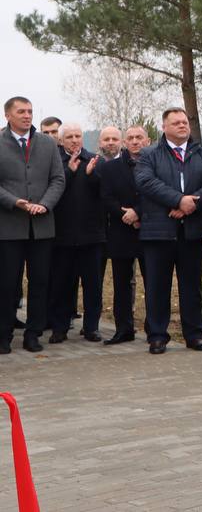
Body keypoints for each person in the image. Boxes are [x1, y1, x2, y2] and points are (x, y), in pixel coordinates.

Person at [136, 107, 202, 355]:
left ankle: (194, 335)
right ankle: (158, 336)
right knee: (157, 286)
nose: (183, 125)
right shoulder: (149, 154)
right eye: (176, 122)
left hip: (192, 230)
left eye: (185, 122)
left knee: (192, 286)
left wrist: (192, 204)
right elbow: (146, 182)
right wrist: (178, 200)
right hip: (159, 232)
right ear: (164, 127)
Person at [0, 97, 65, 353]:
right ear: (8, 115)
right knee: (7, 283)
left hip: (42, 227)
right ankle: (3, 335)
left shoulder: (47, 144)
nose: (27, 116)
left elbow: (58, 179)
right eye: (21, 112)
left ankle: (33, 333)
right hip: (9, 226)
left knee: (40, 281)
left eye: (30, 111)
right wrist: (15, 202)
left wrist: (45, 204)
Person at [48, 123, 106, 343]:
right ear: (61, 141)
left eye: (78, 136)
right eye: (69, 136)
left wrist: (91, 176)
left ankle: (91, 327)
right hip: (62, 237)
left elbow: (104, 193)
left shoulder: (94, 161)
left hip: (91, 236)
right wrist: (69, 173)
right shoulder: (55, 163)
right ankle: (59, 328)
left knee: (92, 286)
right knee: (61, 285)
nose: (74, 140)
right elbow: (53, 193)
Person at [98, 124, 149, 344]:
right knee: (121, 283)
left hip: (150, 230)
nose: (135, 141)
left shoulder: (156, 164)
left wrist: (138, 213)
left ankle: (154, 329)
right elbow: (106, 197)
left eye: (139, 137)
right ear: (124, 142)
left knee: (153, 282)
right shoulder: (111, 168)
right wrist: (125, 215)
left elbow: (158, 193)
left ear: (147, 141)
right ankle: (123, 329)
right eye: (131, 138)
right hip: (121, 230)